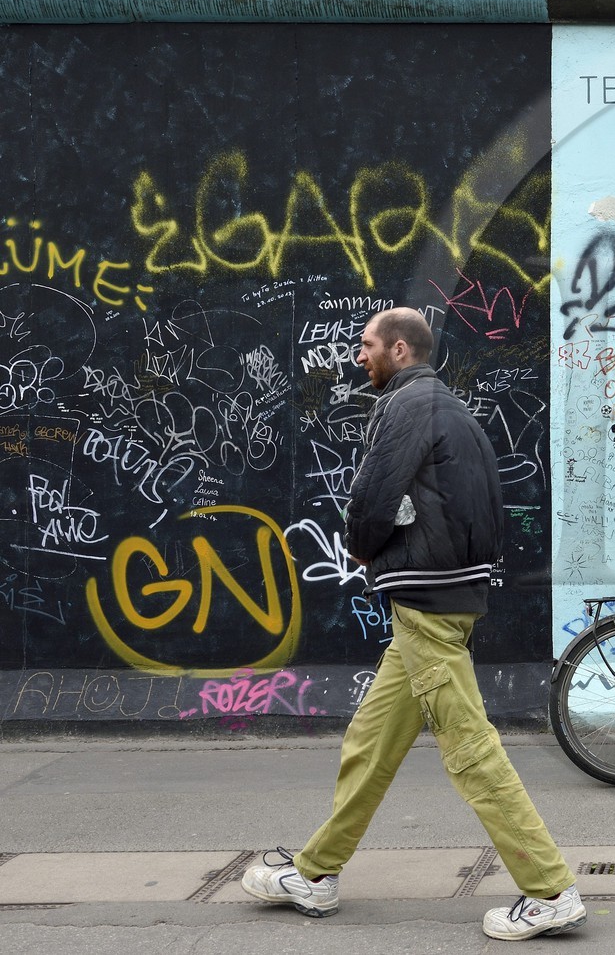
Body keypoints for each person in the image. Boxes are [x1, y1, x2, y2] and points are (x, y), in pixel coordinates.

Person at [240, 307, 584, 942]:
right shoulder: (457, 411)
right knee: (370, 742)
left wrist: (363, 547)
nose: (357, 356)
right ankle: (316, 874)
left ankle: (550, 889)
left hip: (426, 602)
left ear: (399, 350)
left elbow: (372, 496)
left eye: (366, 345)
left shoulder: (403, 408)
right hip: (449, 596)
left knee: (469, 749)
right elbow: (491, 510)